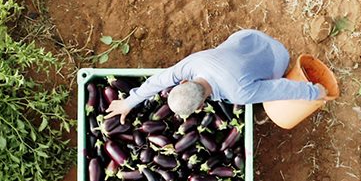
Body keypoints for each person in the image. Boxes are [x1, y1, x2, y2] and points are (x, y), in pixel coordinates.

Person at [105, 29, 328, 123]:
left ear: (201, 106)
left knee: (266, 98)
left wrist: (315, 92)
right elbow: (157, 81)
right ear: (183, 82)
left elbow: (281, 88)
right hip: (250, 37)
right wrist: (129, 102)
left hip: (278, 55)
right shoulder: (191, 64)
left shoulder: (240, 93)